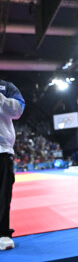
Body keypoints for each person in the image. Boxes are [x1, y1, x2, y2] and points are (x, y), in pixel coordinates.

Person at [0, 79, 25, 250]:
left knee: (2, 195)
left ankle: (2, 233)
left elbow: (18, 111)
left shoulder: (6, 87)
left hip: (1, 149)